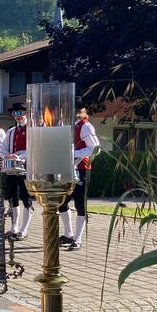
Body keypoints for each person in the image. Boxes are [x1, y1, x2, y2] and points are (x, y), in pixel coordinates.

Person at [60, 107, 100, 251]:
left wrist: (73, 153)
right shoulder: (69, 125)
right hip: (67, 168)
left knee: (80, 204)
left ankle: (78, 239)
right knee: (62, 202)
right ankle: (68, 234)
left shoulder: (85, 125)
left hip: (81, 168)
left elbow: (95, 149)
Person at [0, 102, 33, 240]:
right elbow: (4, 148)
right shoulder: (11, 131)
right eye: (14, 113)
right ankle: (14, 227)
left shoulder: (32, 129)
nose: (17, 116)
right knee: (12, 197)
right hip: (12, 167)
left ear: (26, 113)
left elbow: (34, 147)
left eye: (20, 113)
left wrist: (20, 156)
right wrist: (6, 155)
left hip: (26, 166)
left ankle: (24, 229)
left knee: (25, 196)